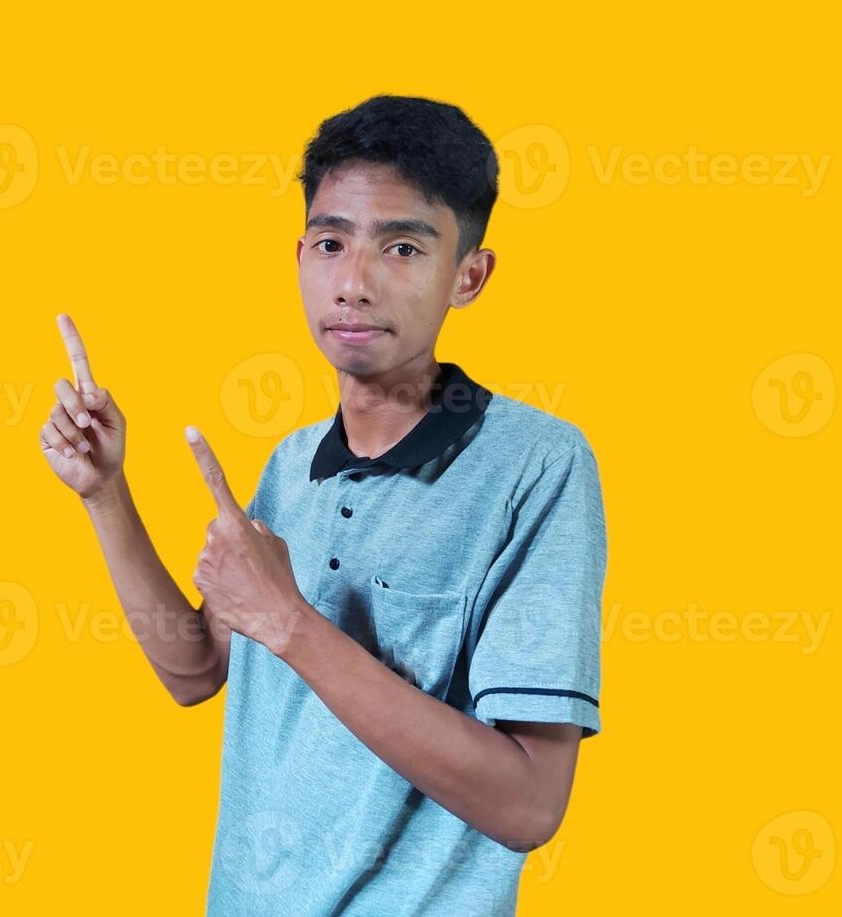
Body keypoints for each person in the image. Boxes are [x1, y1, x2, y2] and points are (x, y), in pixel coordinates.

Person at [39, 94, 608, 916]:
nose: (353, 282)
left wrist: (292, 623)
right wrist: (105, 495)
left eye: (403, 246)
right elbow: (197, 672)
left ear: (469, 276)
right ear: (299, 255)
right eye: (331, 242)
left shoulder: (537, 465)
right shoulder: (292, 462)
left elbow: (527, 806)